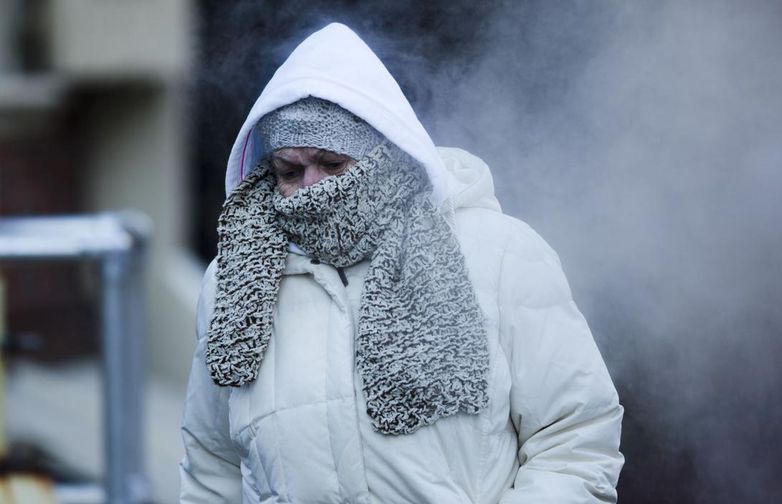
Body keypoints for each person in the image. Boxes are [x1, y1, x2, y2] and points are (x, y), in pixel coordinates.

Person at [180, 23, 624, 503]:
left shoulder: (498, 255)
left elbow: (573, 440)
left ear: (383, 148)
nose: (313, 187)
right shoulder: (238, 283)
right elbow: (211, 467)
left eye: (332, 164)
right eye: (290, 171)